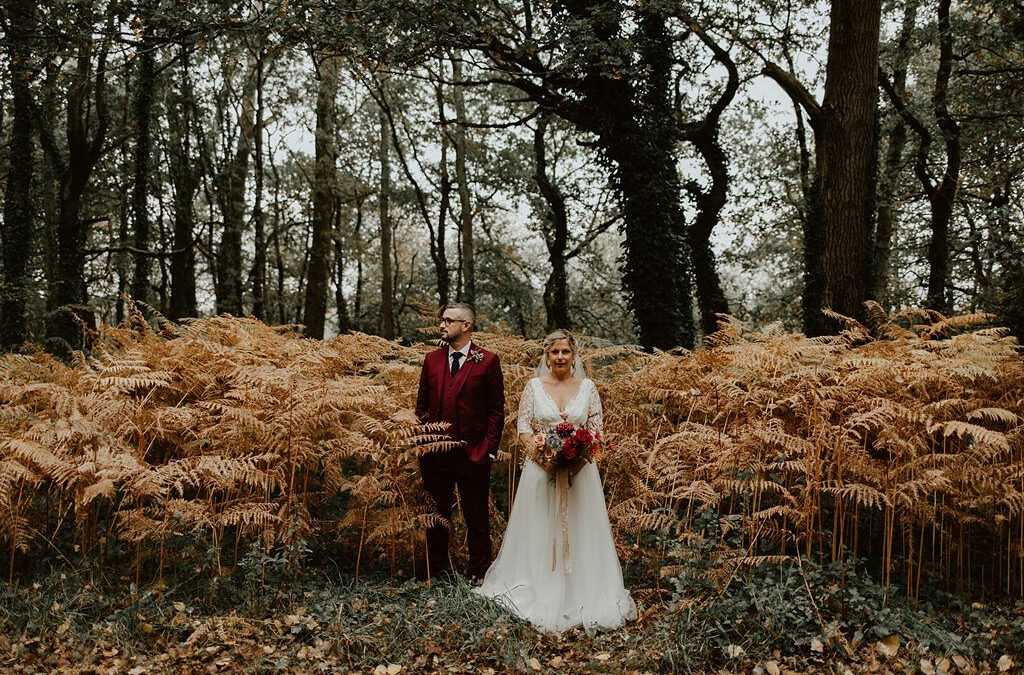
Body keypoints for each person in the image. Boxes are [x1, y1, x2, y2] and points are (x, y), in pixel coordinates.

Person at [475, 329, 635, 632]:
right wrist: (544, 458)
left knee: (580, 530)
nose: (560, 357)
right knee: (539, 529)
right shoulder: (533, 387)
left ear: (574, 355)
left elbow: (596, 429)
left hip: (580, 474)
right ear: (546, 356)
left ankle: (582, 593)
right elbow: (523, 428)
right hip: (541, 472)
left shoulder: (588, 387)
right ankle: (538, 587)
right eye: (554, 352)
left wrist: (578, 459)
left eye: (565, 352)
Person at [415, 303, 505, 582]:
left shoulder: (487, 361)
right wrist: (424, 442)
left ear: (466, 325)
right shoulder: (432, 359)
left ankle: (480, 573)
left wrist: (488, 449)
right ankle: (438, 572)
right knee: (436, 517)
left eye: (448, 320)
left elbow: (496, 410)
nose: (442, 325)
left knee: (476, 517)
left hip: (473, 454)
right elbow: (422, 407)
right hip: (436, 456)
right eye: (441, 320)